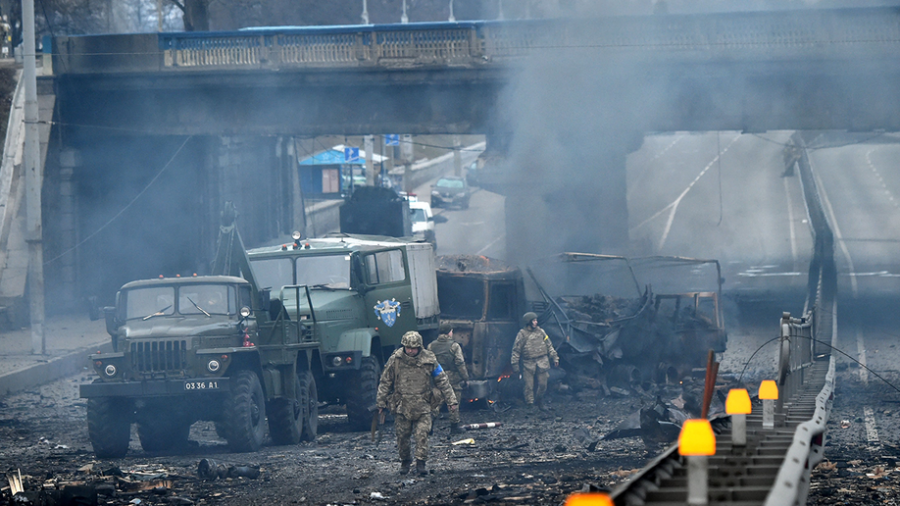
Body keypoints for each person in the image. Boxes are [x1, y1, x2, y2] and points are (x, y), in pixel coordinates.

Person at [376, 331, 458, 476]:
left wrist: (451, 400)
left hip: (423, 404)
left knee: (422, 435)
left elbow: (442, 380)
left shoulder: (429, 359)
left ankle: (421, 463)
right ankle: (405, 462)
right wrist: (381, 402)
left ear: (419, 347)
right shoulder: (395, 359)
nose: (411, 351)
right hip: (402, 405)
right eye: (408, 348)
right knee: (402, 437)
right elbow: (385, 381)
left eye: (414, 348)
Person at [427, 322, 470, 435]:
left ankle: (429, 426)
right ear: (449, 332)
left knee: (437, 401)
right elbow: (460, 363)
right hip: (452, 377)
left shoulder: (431, 346)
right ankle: (454, 427)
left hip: (436, 376)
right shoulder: (454, 346)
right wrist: (465, 378)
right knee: (454, 400)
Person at [510, 312, 559, 410]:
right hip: (528, 363)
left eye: (536, 320)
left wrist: (555, 357)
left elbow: (549, 345)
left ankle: (539, 401)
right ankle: (530, 405)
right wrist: (515, 365)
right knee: (529, 386)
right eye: (534, 320)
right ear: (528, 322)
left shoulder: (541, 332)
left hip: (542, 361)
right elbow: (516, 350)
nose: (536, 322)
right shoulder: (522, 334)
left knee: (543, 384)